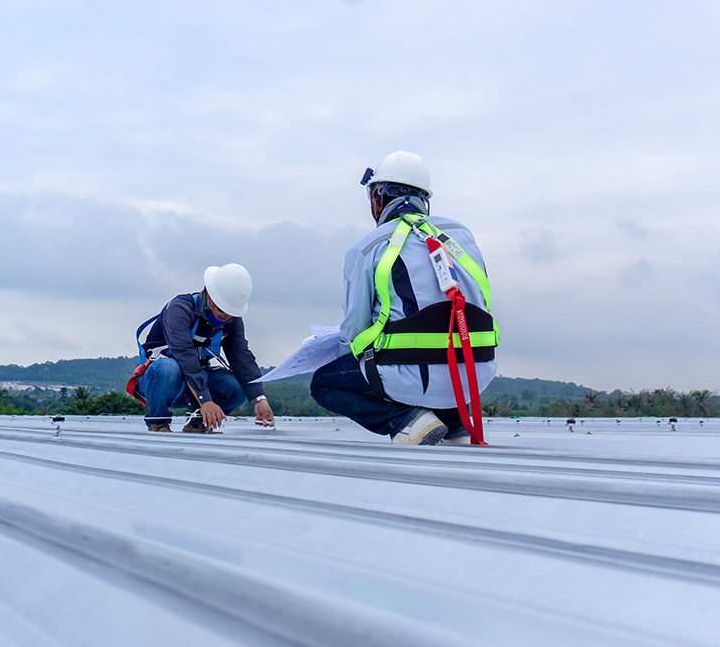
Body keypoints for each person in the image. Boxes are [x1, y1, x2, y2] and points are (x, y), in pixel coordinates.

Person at [310, 151, 498, 445]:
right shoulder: (462, 234)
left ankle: (408, 421)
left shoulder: (367, 246)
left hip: (412, 377)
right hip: (476, 374)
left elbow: (354, 332)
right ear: (425, 199)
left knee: (324, 383)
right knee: (431, 353)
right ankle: (456, 422)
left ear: (378, 199)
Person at [131, 263, 274, 433]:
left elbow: (241, 357)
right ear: (208, 296)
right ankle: (158, 422)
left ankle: (198, 422)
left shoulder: (232, 320)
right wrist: (205, 400)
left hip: (196, 381)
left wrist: (258, 398)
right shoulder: (180, 309)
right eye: (222, 310)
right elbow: (185, 356)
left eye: (231, 313)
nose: (226, 317)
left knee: (237, 388)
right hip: (162, 382)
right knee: (168, 368)